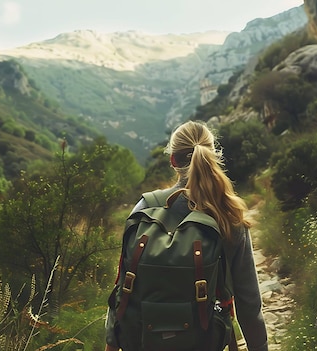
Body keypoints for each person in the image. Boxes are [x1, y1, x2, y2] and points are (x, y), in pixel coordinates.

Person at [105, 120, 268, 351]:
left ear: (173, 160)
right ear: (213, 156)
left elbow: (122, 288)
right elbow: (249, 305)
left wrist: (111, 343)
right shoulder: (228, 214)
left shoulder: (144, 207)